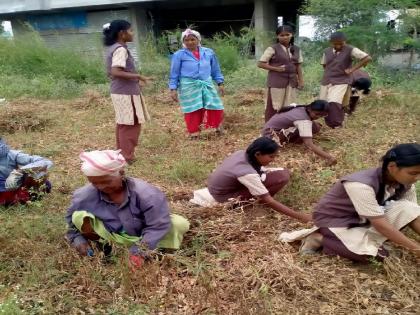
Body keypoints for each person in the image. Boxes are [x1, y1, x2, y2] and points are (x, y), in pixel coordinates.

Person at [280, 143, 420, 263]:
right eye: (413, 173)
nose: (417, 178)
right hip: (337, 222)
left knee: (409, 208)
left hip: (365, 219)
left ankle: (357, 240)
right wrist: (416, 249)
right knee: (376, 256)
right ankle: (320, 238)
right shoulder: (361, 184)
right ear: (392, 167)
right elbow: (381, 225)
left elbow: (413, 214)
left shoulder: (405, 183)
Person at [65, 150, 190, 269]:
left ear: (121, 173)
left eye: (106, 182)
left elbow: (157, 226)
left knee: (177, 224)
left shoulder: (147, 194)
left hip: (142, 236)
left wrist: (138, 252)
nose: (101, 187)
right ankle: (105, 248)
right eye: (94, 183)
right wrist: (77, 239)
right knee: (78, 216)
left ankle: (155, 252)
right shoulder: (84, 195)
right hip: (110, 235)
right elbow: (70, 222)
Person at [190, 137, 311, 223]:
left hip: (218, 189)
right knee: (281, 177)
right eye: (271, 156)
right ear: (258, 154)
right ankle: (252, 203)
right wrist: (301, 217)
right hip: (223, 198)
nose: (273, 159)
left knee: (282, 173)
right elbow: (269, 201)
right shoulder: (247, 172)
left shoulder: (242, 153)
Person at [103, 20, 152, 163]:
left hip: (121, 91)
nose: (133, 34)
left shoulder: (114, 47)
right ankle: (127, 156)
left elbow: (112, 72)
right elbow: (116, 71)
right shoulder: (120, 49)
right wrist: (138, 76)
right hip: (125, 93)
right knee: (130, 124)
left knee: (124, 123)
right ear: (122, 34)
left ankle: (122, 154)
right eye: (130, 31)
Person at [169, 28, 225, 139]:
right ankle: (194, 133)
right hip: (189, 85)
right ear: (183, 42)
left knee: (215, 105)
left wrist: (220, 82)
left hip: (206, 83)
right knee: (193, 108)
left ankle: (215, 128)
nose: (190, 42)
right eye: (187, 40)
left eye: (192, 39)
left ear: (198, 39)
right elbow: (174, 73)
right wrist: (173, 89)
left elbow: (215, 69)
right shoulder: (179, 55)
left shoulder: (208, 52)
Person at [320, 31, 372, 128]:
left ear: (345, 41)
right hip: (327, 79)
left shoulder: (351, 49)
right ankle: (330, 122)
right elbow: (324, 65)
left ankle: (336, 123)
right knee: (324, 102)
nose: (338, 46)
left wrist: (352, 69)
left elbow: (367, 58)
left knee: (334, 101)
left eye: (341, 43)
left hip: (342, 80)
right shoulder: (326, 51)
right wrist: (330, 73)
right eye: (335, 44)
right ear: (331, 42)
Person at [261, 100, 336, 166]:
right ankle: (294, 140)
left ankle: (297, 137)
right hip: (271, 137)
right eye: (317, 114)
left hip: (270, 130)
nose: (318, 117)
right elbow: (309, 144)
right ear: (310, 109)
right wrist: (329, 157)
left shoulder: (302, 108)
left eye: (322, 115)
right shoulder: (303, 120)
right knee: (312, 129)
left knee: (315, 127)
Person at [257, 25, 304, 122]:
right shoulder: (272, 48)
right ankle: (271, 126)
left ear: (292, 35)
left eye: (287, 34)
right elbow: (260, 64)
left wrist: (301, 80)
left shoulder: (296, 49)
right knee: (275, 104)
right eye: (282, 35)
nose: (285, 37)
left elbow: (298, 66)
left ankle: (285, 124)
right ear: (277, 36)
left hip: (291, 81)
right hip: (276, 82)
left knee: (290, 104)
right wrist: (276, 69)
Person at [0, 138, 52, 206]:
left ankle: (25, 197)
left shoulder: (12, 155)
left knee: (38, 175)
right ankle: (15, 199)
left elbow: (45, 162)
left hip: (17, 185)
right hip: (3, 189)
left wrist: (19, 172)